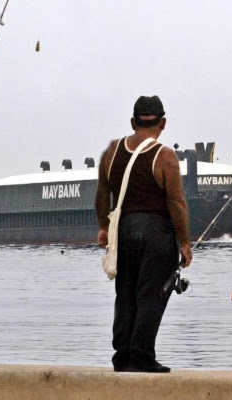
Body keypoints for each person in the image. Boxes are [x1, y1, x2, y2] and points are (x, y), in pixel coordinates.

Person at [95, 95, 192, 373]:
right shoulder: (165, 156)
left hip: (123, 231)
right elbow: (175, 202)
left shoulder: (112, 151)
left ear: (132, 122)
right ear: (162, 123)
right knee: (151, 294)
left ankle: (122, 355)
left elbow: (103, 192)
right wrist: (184, 242)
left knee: (124, 293)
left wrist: (104, 226)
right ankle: (141, 354)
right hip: (156, 233)